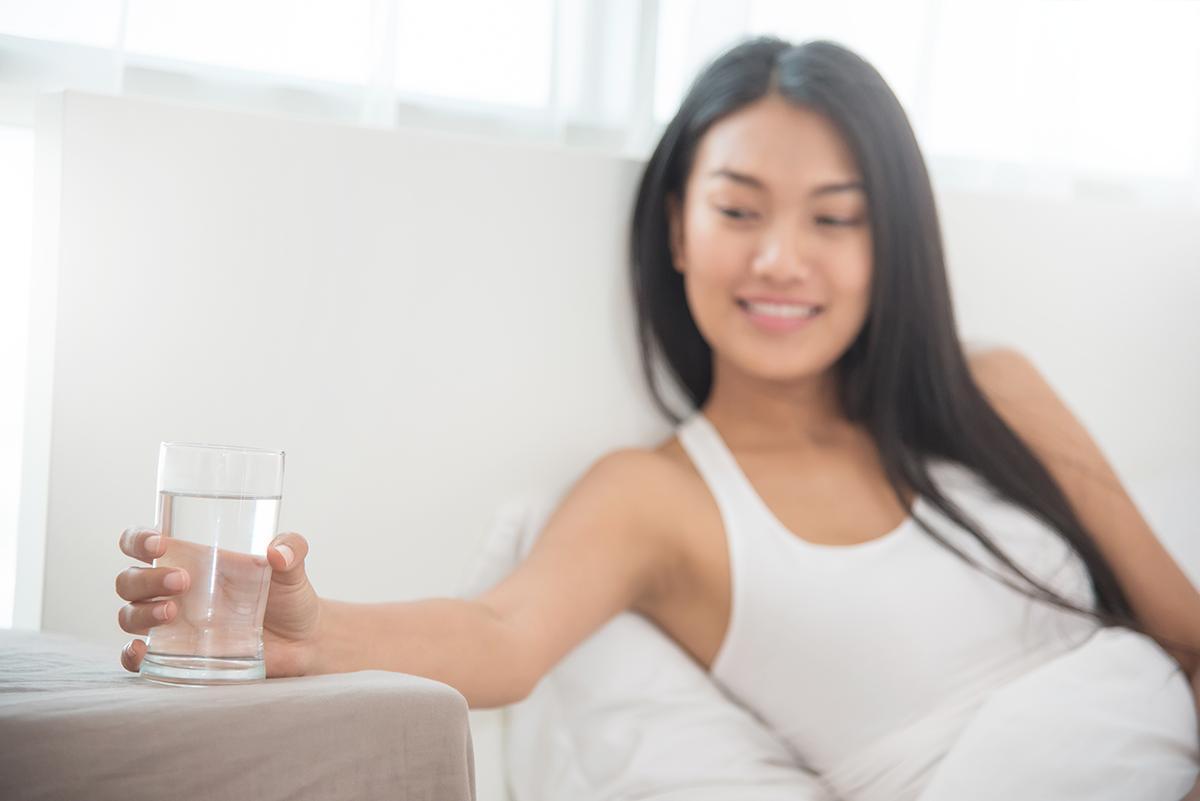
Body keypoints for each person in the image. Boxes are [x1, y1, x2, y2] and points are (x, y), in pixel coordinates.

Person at [115, 37, 1200, 800]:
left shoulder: (993, 391)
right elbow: (503, 634)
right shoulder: (660, 500)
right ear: (677, 228)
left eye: (835, 220)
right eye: (737, 209)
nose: (781, 258)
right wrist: (312, 629)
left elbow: (1186, 637)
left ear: (891, 246)